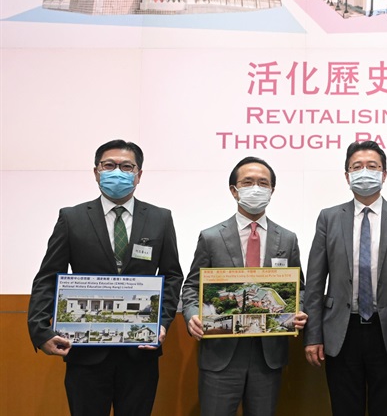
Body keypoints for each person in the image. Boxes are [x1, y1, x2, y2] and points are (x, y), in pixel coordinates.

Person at [27, 139, 184, 416]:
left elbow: (172, 275)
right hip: (85, 353)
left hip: (140, 350)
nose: (117, 172)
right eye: (109, 165)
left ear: (139, 175)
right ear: (96, 171)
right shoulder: (72, 218)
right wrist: (41, 331)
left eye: (126, 166)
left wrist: (163, 322)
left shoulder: (160, 218)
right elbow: (48, 276)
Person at [304, 141, 387, 416]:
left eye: (373, 166)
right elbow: (314, 283)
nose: (365, 172)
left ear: (384, 174)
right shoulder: (329, 218)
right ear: (346, 176)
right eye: (357, 167)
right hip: (341, 332)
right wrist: (312, 336)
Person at [182, 156, 307, 416]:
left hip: (267, 354)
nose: (256, 188)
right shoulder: (211, 237)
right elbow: (192, 287)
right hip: (221, 353)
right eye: (248, 182)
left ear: (272, 191)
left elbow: (300, 290)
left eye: (263, 183)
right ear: (234, 190)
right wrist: (192, 314)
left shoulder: (287, 238)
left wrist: (299, 310)